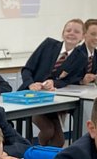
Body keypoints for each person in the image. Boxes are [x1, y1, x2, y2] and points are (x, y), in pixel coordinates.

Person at [21, 18, 90, 146]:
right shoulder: (48, 45)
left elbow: (71, 79)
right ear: (63, 33)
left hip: (51, 100)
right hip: (31, 97)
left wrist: (54, 83)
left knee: (59, 141)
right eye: (68, 30)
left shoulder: (80, 57)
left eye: (76, 31)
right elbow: (27, 69)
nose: (71, 33)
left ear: (82, 37)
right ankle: (38, 153)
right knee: (48, 131)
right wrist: (31, 84)